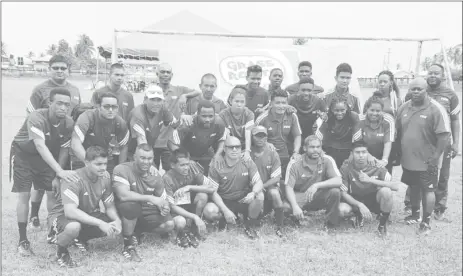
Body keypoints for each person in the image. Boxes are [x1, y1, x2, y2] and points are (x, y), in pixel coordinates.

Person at [11, 88, 78, 256]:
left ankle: (53, 231)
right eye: (59, 103)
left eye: (67, 105)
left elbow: (64, 149)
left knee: (52, 192)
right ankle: (23, 240)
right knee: (24, 195)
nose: (63, 107)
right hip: (24, 156)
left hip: (45, 158)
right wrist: (59, 170)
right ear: (50, 103)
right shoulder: (36, 117)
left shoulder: (69, 123)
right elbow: (40, 145)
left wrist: (58, 173)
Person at [26, 54, 81, 230]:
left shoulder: (74, 90)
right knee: (41, 183)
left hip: (64, 142)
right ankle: (34, 215)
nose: (59, 71)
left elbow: (74, 117)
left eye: (63, 68)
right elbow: (31, 117)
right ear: (50, 69)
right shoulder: (39, 89)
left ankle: (57, 218)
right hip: (43, 142)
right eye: (56, 67)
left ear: (68, 70)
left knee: (59, 181)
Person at [47, 146, 122, 267]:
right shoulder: (73, 178)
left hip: (86, 215)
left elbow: (109, 206)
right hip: (61, 216)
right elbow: (70, 212)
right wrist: (99, 223)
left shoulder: (105, 177)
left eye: (105, 164)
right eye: (98, 164)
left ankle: (79, 238)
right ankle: (61, 250)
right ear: (86, 162)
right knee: (73, 227)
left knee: (112, 222)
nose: (103, 168)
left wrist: (117, 220)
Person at [403, 64, 460, 219]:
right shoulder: (417, 91)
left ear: (442, 75)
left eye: (436, 73)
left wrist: (456, 143)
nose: (433, 76)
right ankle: (410, 205)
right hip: (420, 142)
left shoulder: (450, 95)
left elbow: (455, 120)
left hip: (441, 142)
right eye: (430, 73)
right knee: (414, 173)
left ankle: (439, 207)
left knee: (441, 175)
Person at [396, 77, 450, 234]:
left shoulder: (436, 109)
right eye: (413, 89)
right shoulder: (404, 108)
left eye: (419, 89)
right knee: (413, 187)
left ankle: (426, 222)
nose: (416, 92)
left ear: (426, 90)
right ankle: (415, 214)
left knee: (428, 190)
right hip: (408, 160)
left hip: (428, 160)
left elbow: (443, 136)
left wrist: (436, 156)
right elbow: (399, 132)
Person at [112, 144, 179, 261]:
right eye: (142, 158)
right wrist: (151, 198)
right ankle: (128, 244)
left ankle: (137, 231)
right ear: (134, 157)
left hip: (145, 210)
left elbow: (163, 199)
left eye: (149, 158)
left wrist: (164, 207)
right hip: (124, 209)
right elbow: (123, 195)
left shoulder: (155, 175)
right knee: (130, 207)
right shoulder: (121, 169)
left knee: (169, 224)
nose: (146, 162)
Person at [202, 136, 264, 239]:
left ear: (241, 148)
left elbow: (259, 182)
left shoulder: (247, 161)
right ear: (225, 149)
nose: (234, 149)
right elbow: (212, 192)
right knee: (209, 210)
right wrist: (225, 210)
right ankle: (224, 220)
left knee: (260, 195)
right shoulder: (216, 164)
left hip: (242, 198)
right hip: (224, 199)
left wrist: (253, 193)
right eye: (231, 147)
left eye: (237, 147)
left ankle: (250, 224)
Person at [339, 140, 400, 237]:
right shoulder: (345, 168)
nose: (361, 155)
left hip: (374, 200)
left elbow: (395, 186)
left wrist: (370, 180)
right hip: (355, 201)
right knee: (341, 210)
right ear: (352, 154)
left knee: (386, 192)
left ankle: (382, 225)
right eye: (357, 152)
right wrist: (360, 205)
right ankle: (356, 215)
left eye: (364, 152)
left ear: (368, 154)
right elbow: (343, 193)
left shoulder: (377, 166)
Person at [283, 135, 344, 229]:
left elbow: (338, 180)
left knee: (335, 191)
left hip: (318, 195)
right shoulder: (295, 163)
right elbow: (288, 187)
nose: (315, 150)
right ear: (304, 148)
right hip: (301, 195)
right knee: (285, 208)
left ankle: (331, 224)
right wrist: (295, 206)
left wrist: (317, 185)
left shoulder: (327, 159)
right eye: (312, 147)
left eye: (318, 147)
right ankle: (298, 219)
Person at [163, 148, 218, 247]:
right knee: (180, 222)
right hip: (176, 212)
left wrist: (189, 187)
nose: (186, 168)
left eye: (187, 164)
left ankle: (193, 227)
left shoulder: (192, 168)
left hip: (190, 207)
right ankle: (178, 233)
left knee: (202, 195)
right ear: (172, 165)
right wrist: (194, 216)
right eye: (182, 165)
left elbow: (212, 188)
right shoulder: (167, 178)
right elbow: (172, 206)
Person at [152, 63, 201, 172]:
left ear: (171, 75)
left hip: (170, 141)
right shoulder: (151, 92)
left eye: (168, 72)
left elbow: (198, 91)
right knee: (151, 173)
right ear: (157, 74)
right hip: (153, 141)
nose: (165, 74)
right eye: (162, 72)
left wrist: (185, 96)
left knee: (171, 171)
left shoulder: (179, 90)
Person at [71, 92, 130, 174]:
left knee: (111, 181)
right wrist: (89, 163)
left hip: (104, 158)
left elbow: (124, 147)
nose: (110, 110)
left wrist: (120, 168)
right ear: (98, 107)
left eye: (114, 107)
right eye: (106, 106)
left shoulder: (120, 122)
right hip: (82, 157)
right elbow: (75, 145)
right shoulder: (87, 117)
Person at [256, 89, 302, 184]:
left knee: (287, 182)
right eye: (278, 103)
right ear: (271, 103)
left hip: (285, 154)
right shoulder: (263, 118)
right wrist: (266, 143)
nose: (281, 106)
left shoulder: (292, 116)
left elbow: (297, 135)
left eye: (284, 103)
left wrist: (296, 152)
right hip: (267, 155)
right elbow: (254, 137)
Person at [168, 100, 226, 175]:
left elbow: (222, 139)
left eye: (211, 116)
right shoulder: (188, 124)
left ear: (214, 114)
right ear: (197, 114)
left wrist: (218, 154)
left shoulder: (219, 122)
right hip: (187, 154)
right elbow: (171, 143)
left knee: (214, 168)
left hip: (204, 153)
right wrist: (186, 159)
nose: (208, 120)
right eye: (204, 116)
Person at [128, 85, 179, 163]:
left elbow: (175, 125)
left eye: (159, 100)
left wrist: (178, 153)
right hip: (133, 152)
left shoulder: (162, 109)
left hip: (149, 148)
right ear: (145, 100)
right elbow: (141, 141)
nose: (156, 103)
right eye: (152, 99)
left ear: (163, 101)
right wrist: (148, 161)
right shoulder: (137, 115)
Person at [250, 126, 285, 237]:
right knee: (258, 196)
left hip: (269, 185)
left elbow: (276, 177)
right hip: (252, 187)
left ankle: (280, 225)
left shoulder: (272, 153)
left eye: (263, 136)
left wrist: (262, 186)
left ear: (266, 138)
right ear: (252, 137)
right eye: (257, 136)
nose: (260, 139)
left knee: (274, 193)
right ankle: (253, 223)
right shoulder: (247, 153)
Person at [315, 96, 362, 168]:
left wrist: (352, 154)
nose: (339, 113)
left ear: (347, 109)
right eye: (336, 110)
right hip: (330, 148)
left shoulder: (353, 116)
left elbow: (357, 138)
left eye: (342, 110)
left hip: (348, 149)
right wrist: (321, 152)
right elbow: (318, 136)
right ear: (332, 110)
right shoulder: (327, 116)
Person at [358, 96, 396, 173]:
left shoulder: (388, 120)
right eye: (372, 110)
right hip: (364, 155)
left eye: (378, 111)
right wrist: (368, 156)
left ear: (382, 111)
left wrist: (384, 160)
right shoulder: (360, 120)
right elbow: (358, 143)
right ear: (366, 109)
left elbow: (388, 142)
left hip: (383, 155)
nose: (374, 113)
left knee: (383, 182)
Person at [288, 78, 327, 146]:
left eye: (309, 90)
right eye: (303, 90)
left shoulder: (318, 101)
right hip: (293, 138)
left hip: (311, 139)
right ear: (298, 89)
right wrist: (287, 109)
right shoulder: (291, 99)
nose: (306, 93)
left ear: (313, 90)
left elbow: (325, 117)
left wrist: (323, 116)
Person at [220, 86, 255, 154]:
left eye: (242, 102)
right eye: (236, 101)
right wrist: (233, 152)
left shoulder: (250, 114)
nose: (239, 104)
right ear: (230, 101)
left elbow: (248, 134)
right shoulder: (223, 114)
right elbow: (226, 136)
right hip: (229, 147)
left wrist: (247, 152)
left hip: (244, 147)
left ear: (245, 103)